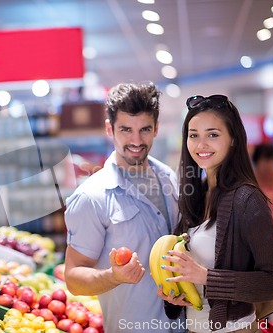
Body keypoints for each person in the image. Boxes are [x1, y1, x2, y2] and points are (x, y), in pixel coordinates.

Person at [159, 95, 273, 332]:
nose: (201, 144)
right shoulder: (195, 197)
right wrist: (175, 296)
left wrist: (207, 277)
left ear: (233, 140)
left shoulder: (247, 199)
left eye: (213, 134)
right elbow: (195, 277)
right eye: (193, 135)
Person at [64, 82, 183, 332]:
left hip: (184, 325)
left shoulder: (169, 178)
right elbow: (73, 277)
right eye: (126, 130)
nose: (136, 141)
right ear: (110, 129)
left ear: (156, 128)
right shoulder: (91, 197)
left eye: (145, 130)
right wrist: (112, 277)